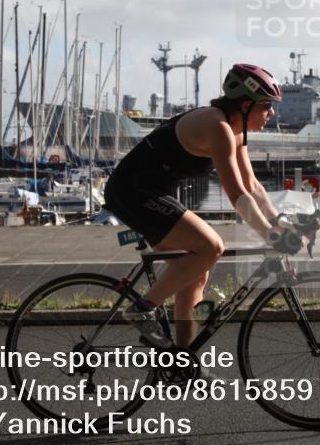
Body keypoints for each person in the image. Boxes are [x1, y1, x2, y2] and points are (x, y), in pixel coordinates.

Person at [102, 64, 302, 351]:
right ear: (246, 105)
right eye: (267, 106)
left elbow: (253, 187)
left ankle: (183, 359)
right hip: (131, 191)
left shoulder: (236, 131)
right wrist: (269, 235)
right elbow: (237, 195)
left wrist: (278, 220)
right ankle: (141, 309)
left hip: (155, 192)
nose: (271, 113)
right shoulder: (217, 126)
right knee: (211, 247)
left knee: (197, 272)